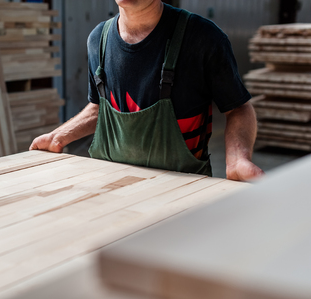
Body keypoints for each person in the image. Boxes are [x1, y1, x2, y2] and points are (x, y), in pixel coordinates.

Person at [30, 0, 264, 181]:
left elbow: (237, 107)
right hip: (112, 191)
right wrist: (59, 136)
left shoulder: (202, 38)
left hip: (183, 195)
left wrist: (237, 159)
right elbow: (100, 108)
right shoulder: (98, 40)